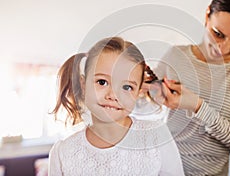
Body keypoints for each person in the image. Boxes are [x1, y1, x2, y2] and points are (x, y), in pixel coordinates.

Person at [151, 0, 230, 176]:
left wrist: (198, 107)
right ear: (207, 15)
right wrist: (148, 91)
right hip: (158, 169)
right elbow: (144, 104)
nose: (222, 48)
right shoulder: (175, 55)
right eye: (218, 33)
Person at [48, 37, 184, 176]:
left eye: (127, 87)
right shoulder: (62, 153)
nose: (113, 95)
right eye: (102, 82)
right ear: (83, 85)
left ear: (138, 93)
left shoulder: (156, 137)